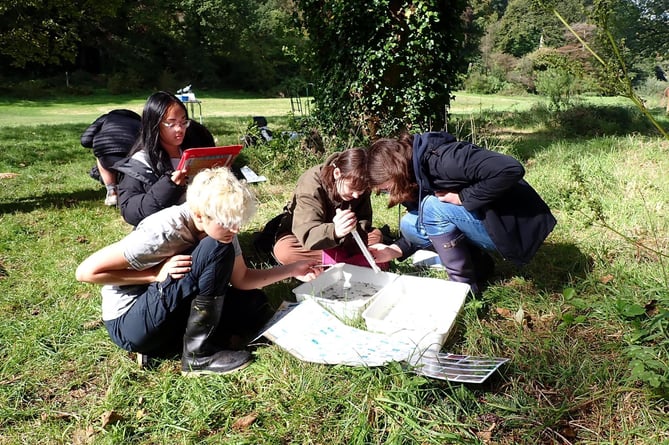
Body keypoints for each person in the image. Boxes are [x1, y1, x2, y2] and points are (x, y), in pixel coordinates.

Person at [75, 167, 321, 375]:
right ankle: (197, 355)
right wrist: (153, 274)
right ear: (198, 214)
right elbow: (87, 272)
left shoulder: (224, 227)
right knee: (216, 248)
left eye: (237, 222)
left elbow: (243, 279)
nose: (234, 230)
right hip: (129, 321)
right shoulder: (162, 231)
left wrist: (292, 269)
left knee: (253, 304)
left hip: (167, 304)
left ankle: (166, 347)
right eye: (226, 222)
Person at [366, 132, 557, 293]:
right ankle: (479, 266)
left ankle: (462, 289)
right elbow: (424, 221)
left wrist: (464, 197)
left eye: (386, 189)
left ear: (395, 172)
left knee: (432, 207)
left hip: (515, 227)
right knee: (409, 224)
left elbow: (510, 169)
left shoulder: (447, 159)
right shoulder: (414, 172)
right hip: (486, 219)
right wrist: (396, 249)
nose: (387, 194)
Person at [113, 91, 216, 227]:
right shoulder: (141, 163)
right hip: (168, 230)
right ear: (154, 125)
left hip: (204, 223)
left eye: (183, 122)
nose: (179, 129)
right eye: (171, 124)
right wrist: (170, 186)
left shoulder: (194, 147)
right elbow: (130, 212)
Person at [271, 148, 386, 270]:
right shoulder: (311, 184)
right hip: (308, 238)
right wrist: (335, 231)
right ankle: (353, 262)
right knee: (284, 251)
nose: (357, 195)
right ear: (337, 173)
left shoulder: (361, 184)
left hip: (345, 239)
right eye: (352, 188)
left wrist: (349, 232)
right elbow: (307, 233)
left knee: (376, 236)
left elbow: (364, 222)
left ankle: (334, 263)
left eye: (362, 190)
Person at [80, 109, 141, 206]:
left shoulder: (106, 118)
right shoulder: (140, 122)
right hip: (133, 158)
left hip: (106, 156)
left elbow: (85, 140)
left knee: (102, 156)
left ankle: (112, 191)